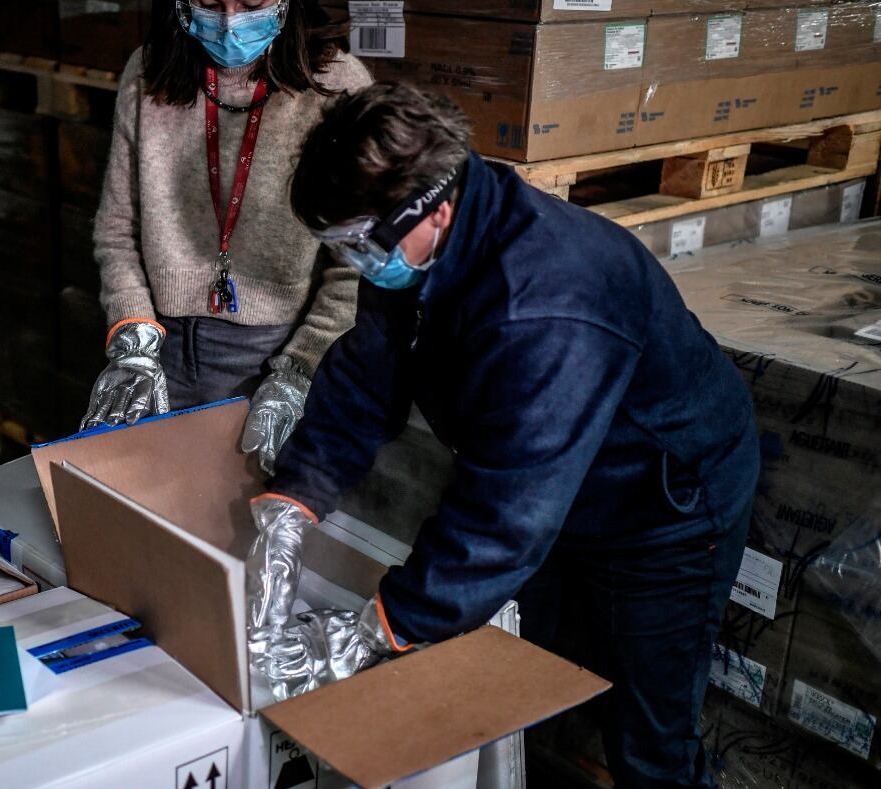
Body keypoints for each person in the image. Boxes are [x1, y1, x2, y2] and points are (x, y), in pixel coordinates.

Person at [246, 84, 760, 788]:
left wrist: (377, 625)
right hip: (556, 486)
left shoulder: (544, 302)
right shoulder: (413, 247)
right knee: (505, 680)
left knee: (649, 747)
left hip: (662, 506)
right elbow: (367, 378)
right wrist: (292, 502)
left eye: (358, 244)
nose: (357, 262)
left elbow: (505, 513)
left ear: (437, 206)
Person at [82, 0, 372, 473]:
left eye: (253, 5)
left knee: (241, 523)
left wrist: (300, 369)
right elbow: (117, 228)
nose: (229, 24)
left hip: (271, 354)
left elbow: (353, 265)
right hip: (158, 340)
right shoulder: (147, 74)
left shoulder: (336, 87)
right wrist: (133, 336)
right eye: (209, 6)